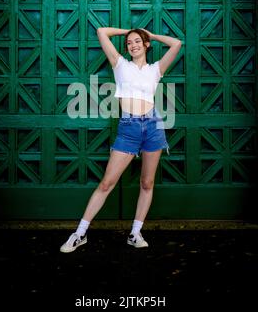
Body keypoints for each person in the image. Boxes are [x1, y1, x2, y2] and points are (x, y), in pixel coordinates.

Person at [60, 27, 182, 253]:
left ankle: (135, 233)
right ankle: (79, 234)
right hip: (129, 127)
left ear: (146, 45)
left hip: (153, 126)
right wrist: (129, 31)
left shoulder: (156, 69)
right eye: (129, 43)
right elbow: (100, 31)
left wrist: (150, 35)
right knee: (107, 183)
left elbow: (176, 43)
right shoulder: (120, 65)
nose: (133, 45)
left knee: (147, 183)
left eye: (138, 41)